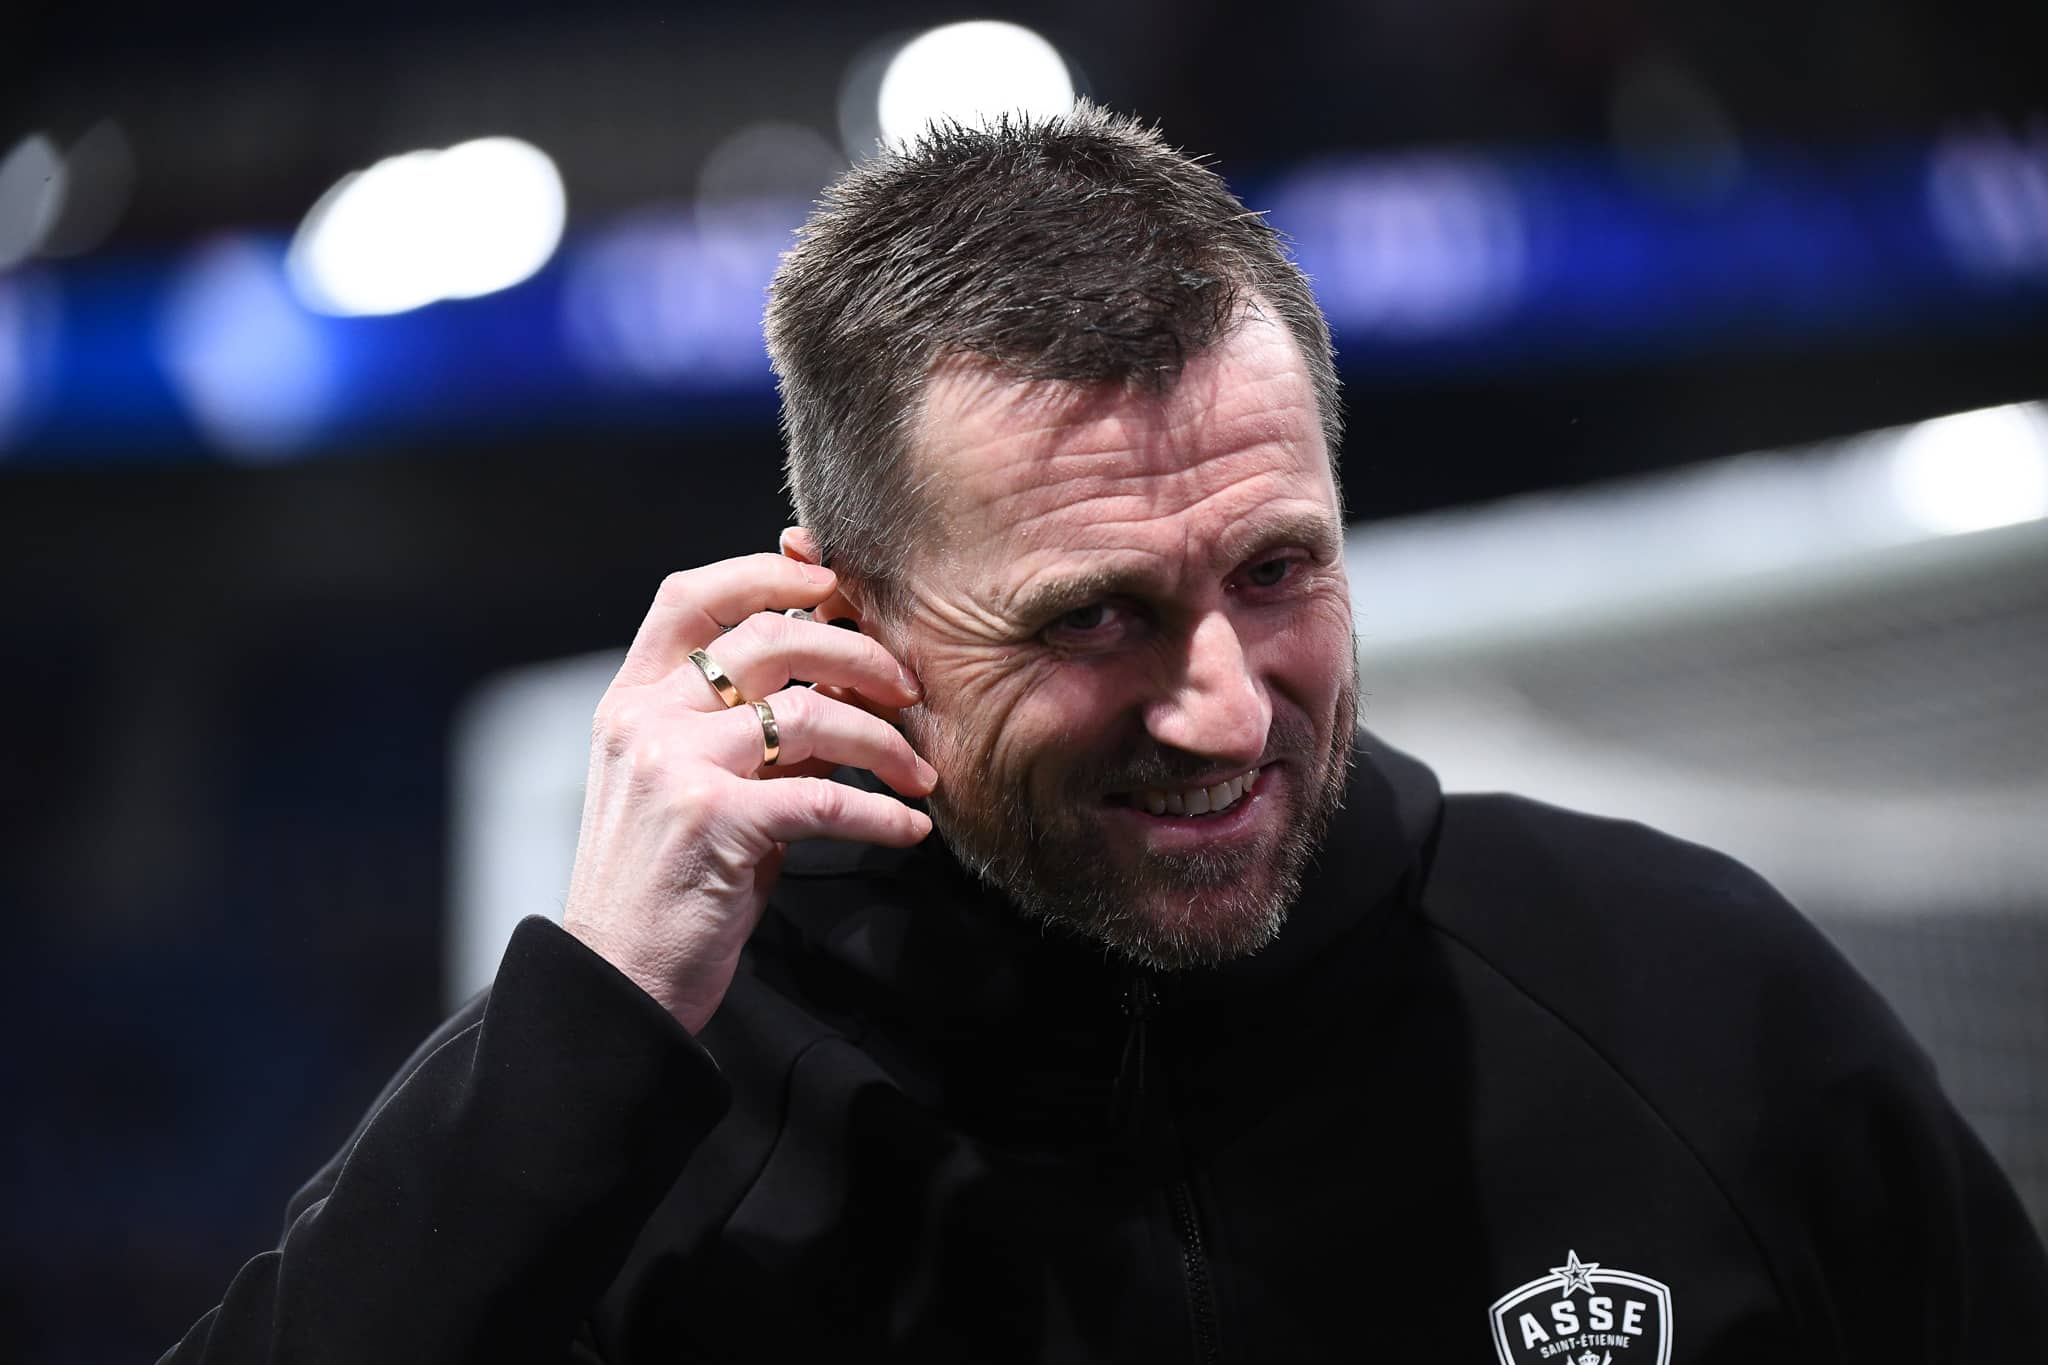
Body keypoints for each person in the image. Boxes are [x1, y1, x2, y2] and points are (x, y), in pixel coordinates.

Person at [165, 104, 2047, 1364]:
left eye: (1278, 571)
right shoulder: (632, 1134)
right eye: (1097, 618)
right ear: (847, 619)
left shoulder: (1688, 1000)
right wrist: (590, 1021)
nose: (1225, 706)